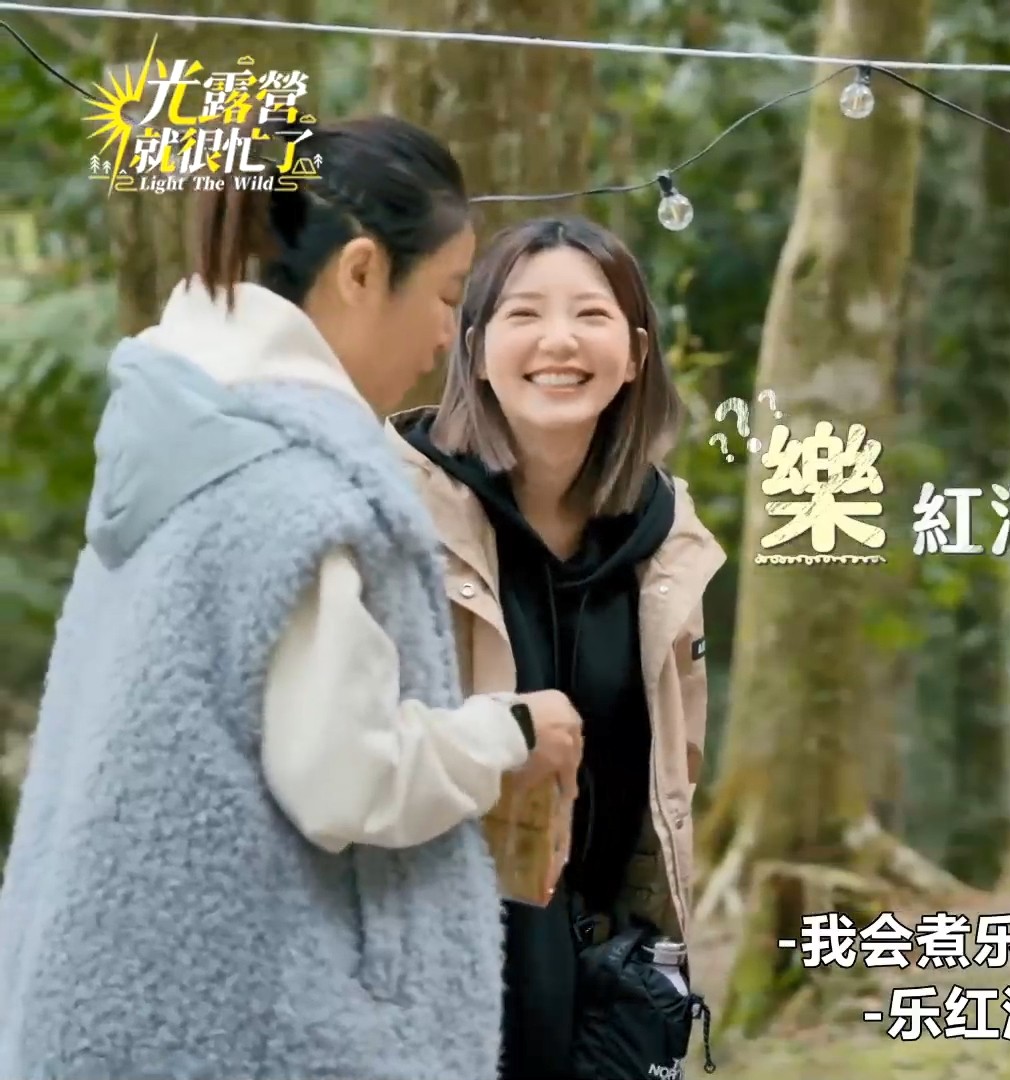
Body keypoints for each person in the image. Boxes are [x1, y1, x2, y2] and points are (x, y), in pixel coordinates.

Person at [0, 115, 585, 1080]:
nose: (448, 336)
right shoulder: (300, 492)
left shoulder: (182, 448)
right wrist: (510, 732)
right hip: (254, 1036)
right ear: (361, 272)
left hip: (121, 1014)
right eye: (447, 295)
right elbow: (348, 778)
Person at [387, 215, 723, 1079]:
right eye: (526, 314)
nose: (560, 341)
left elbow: (673, 775)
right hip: (432, 960)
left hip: (603, 971)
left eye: (592, 315)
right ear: (474, 347)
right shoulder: (395, 512)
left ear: (636, 354)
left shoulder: (666, 539)